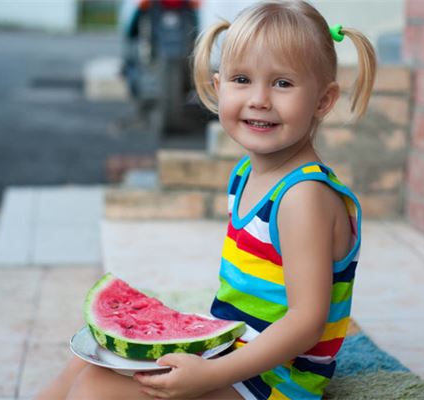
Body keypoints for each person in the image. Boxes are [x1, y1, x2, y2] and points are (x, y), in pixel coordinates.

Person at [36, 1, 376, 399]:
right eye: (242, 79)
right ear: (219, 87)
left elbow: (305, 322)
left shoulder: (304, 198)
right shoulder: (245, 175)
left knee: (94, 389)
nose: (259, 99)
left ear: (323, 100)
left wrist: (210, 376)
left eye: (282, 83)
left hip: (275, 381)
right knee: (88, 358)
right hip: (233, 349)